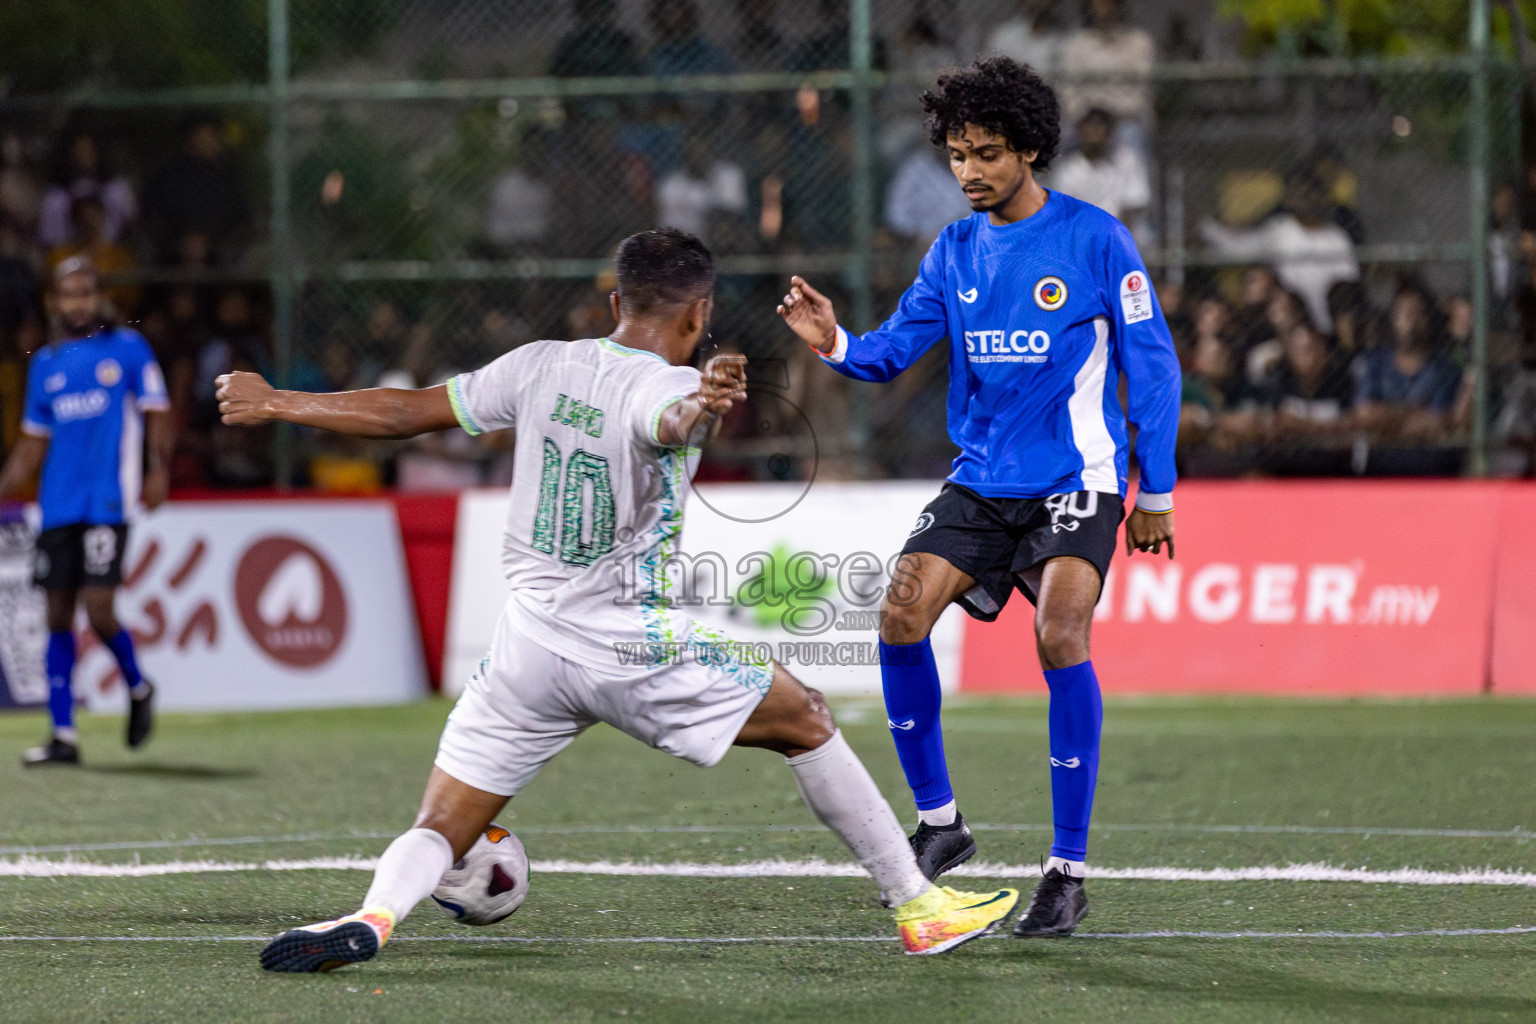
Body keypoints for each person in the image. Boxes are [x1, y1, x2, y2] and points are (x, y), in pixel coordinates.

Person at [216, 229, 1020, 971]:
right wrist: (700, 402)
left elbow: (406, 410)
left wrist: (279, 401)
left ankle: (373, 916)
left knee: (441, 827)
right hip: (630, 643)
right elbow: (666, 419)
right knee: (806, 717)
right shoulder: (669, 386)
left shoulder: (535, 364)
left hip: (526, 646)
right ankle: (919, 906)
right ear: (700, 311)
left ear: (615, 303)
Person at [777, 58, 1179, 938]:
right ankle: (941, 824)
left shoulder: (1096, 238)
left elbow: (1154, 367)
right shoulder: (953, 250)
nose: (968, 172)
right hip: (983, 478)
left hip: (1079, 479)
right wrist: (832, 338)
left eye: (987, 154)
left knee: (1059, 631)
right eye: (957, 155)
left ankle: (1066, 872)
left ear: (1030, 149)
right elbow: (886, 353)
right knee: (898, 613)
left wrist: (1159, 490)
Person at [0, 258, 172, 765]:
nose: (78, 303)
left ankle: (138, 687)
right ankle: (62, 734)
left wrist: (157, 469)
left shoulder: (127, 350)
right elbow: (32, 446)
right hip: (57, 505)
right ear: (55, 302)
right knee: (55, 613)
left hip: (107, 501)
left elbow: (157, 413)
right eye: (68, 295)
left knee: (98, 608)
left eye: (86, 292)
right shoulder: (46, 365)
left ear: (98, 296)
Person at [1047, 107, 1150, 229]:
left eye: (1100, 127)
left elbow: (1133, 204)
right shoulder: (1068, 169)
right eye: (1091, 126)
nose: (1096, 132)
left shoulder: (1125, 160)